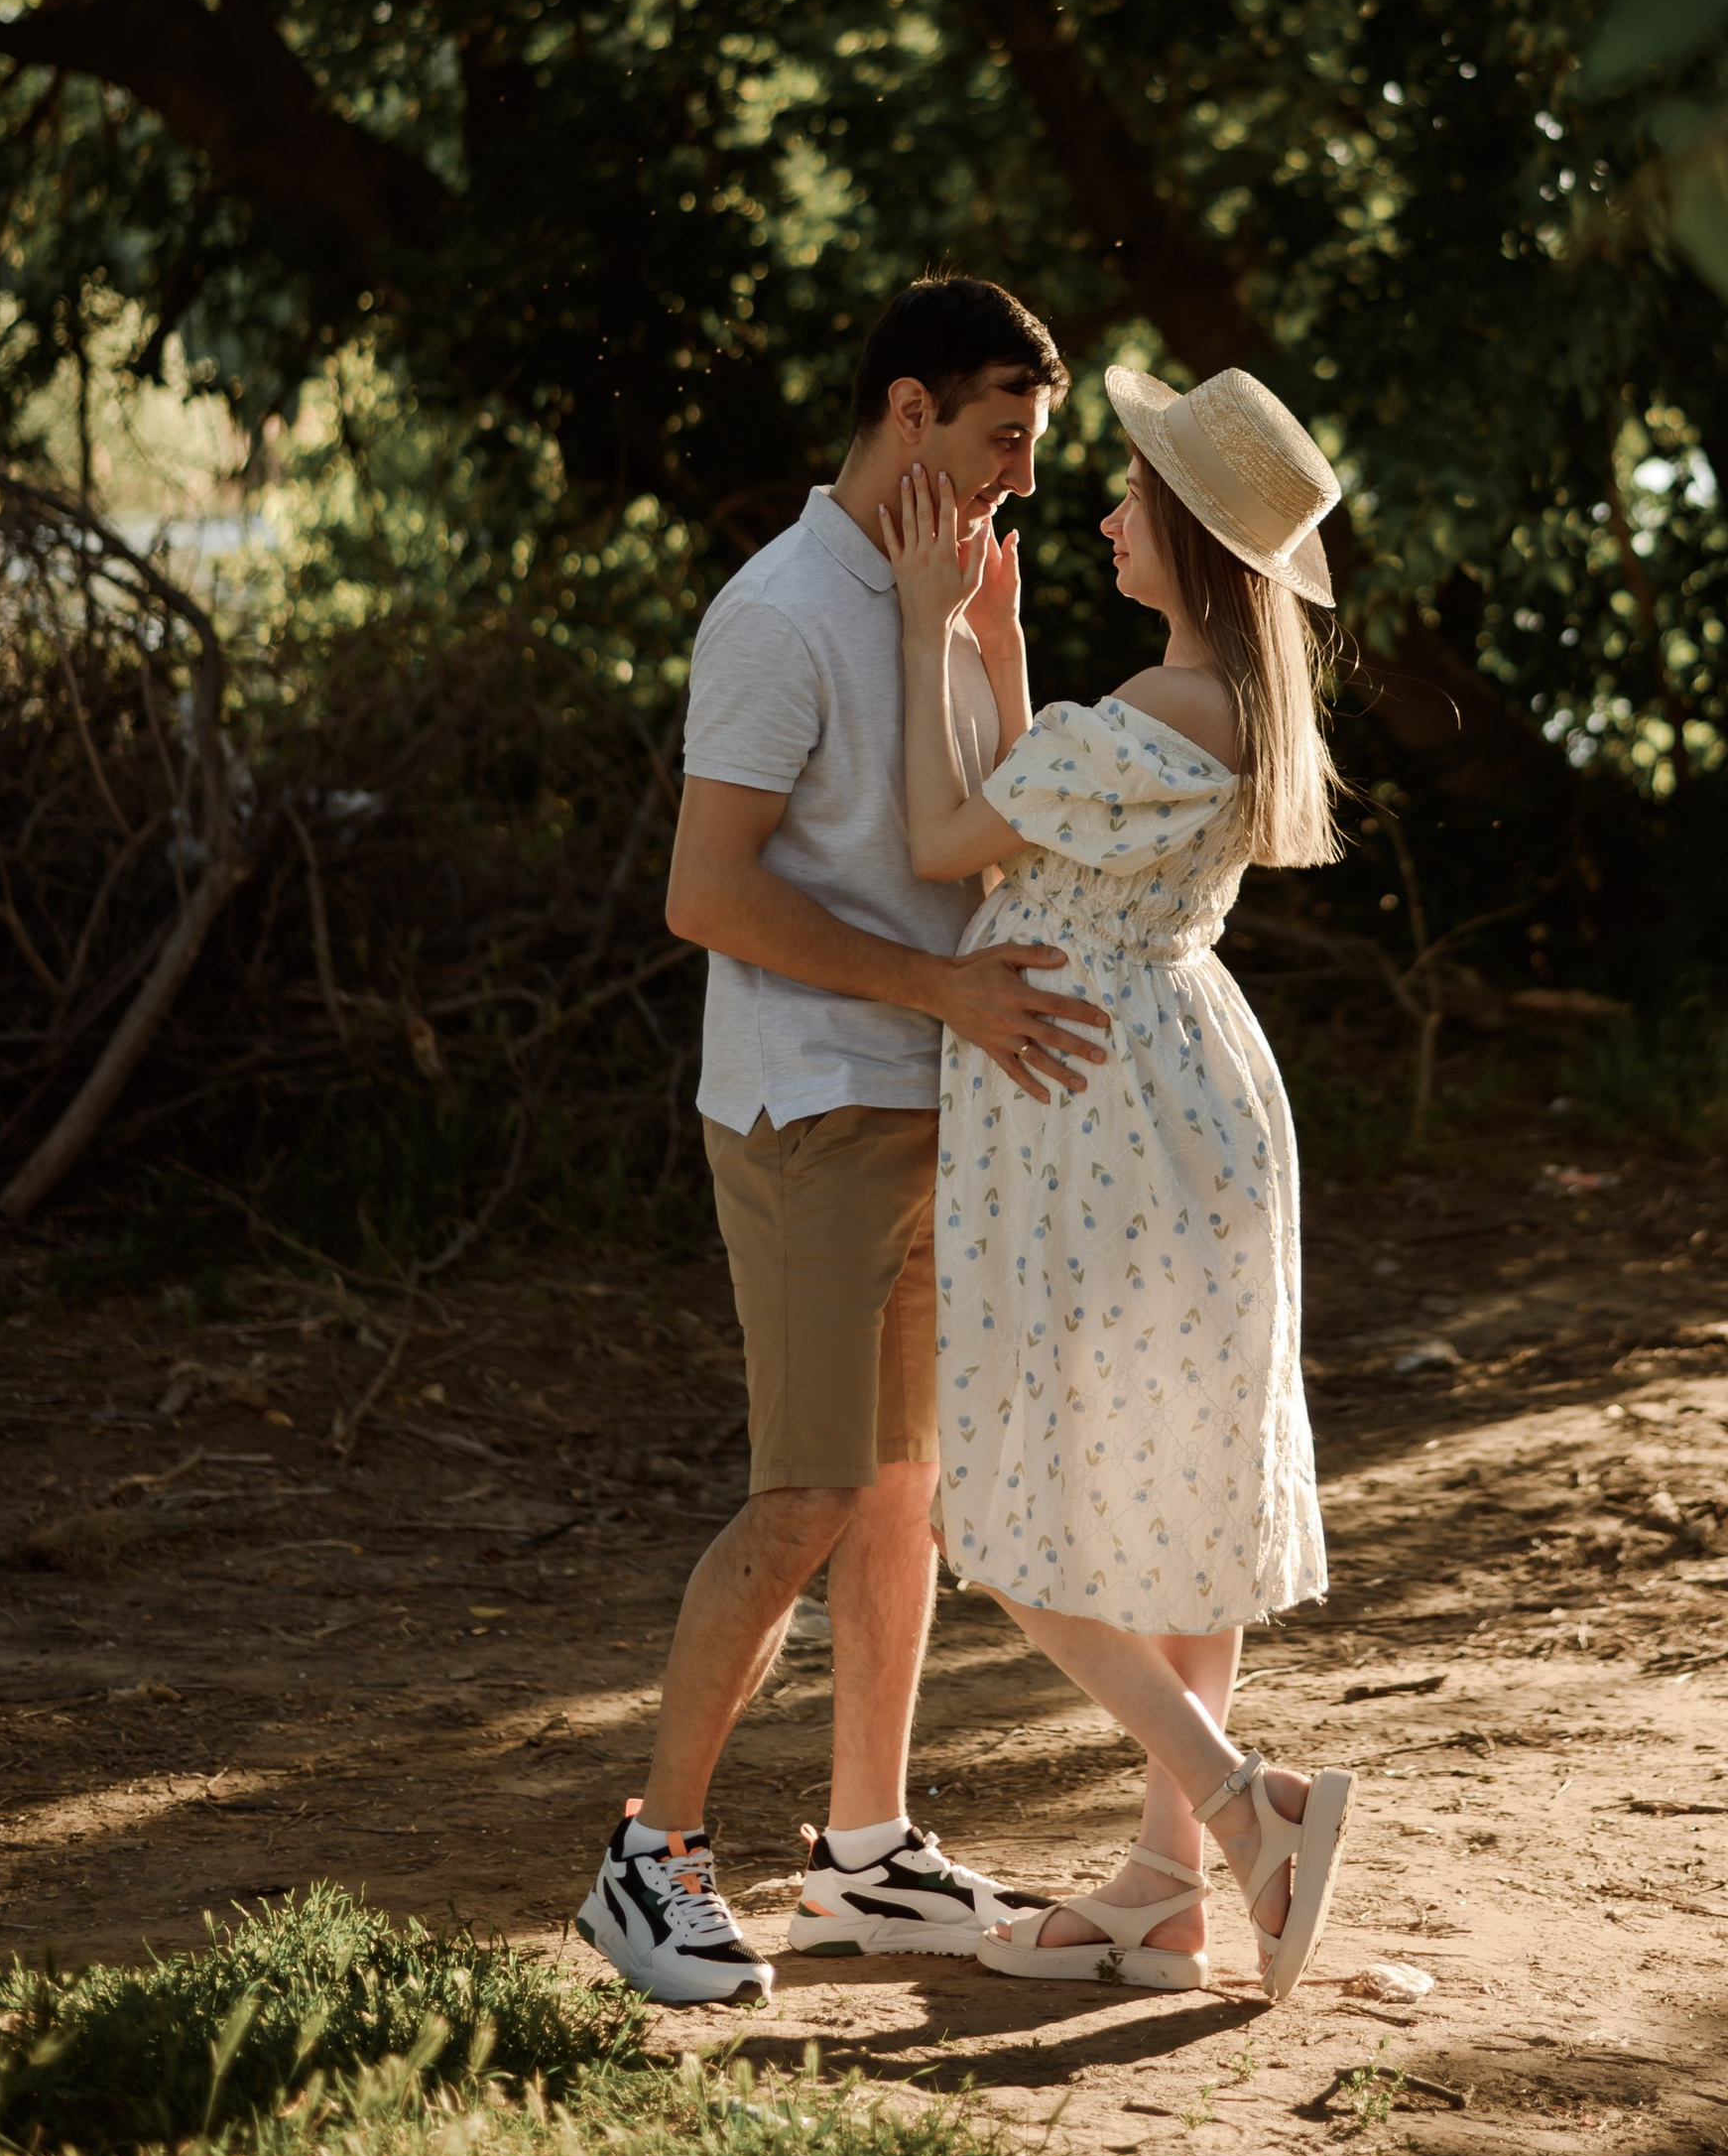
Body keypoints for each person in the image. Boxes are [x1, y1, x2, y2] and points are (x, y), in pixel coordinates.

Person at [576, 273, 1100, 2007]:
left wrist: (990, 637)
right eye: (1001, 437)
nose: (1020, 474)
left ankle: (867, 1857)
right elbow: (702, 893)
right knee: (804, 1492)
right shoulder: (780, 615)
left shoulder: (942, 592)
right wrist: (936, 997)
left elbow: (989, 836)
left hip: (933, 1101)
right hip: (810, 1104)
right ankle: (647, 1866)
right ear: (904, 414)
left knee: (900, 1495)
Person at [880, 360, 1352, 2003]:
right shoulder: (1209, 704)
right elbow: (1034, 824)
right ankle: (1164, 1889)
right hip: (1168, 1089)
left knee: (1006, 1515)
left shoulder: (1161, 712)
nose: (1100, 506)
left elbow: (949, 840)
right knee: (1183, 1503)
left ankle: (1241, 1811)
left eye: (1131, 491)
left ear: (1195, 544)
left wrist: (924, 620)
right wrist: (998, 647)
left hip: (1093, 1105)